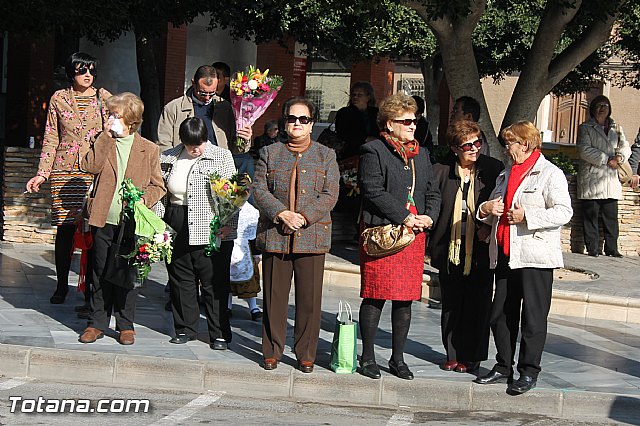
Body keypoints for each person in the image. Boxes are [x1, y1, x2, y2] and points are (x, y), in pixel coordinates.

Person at [474, 121, 572, 394]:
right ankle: (503, 365)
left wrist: (527, 216)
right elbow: (488, 208)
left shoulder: (550, 174)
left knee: (533, 317)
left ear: (525, 144)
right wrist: (485, 209)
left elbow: (564, 212)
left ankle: (529, 371)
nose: (506, 149)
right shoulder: (506, 174)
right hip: (506, 254)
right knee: (500, 314)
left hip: (535, 256)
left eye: (510, 143)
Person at [253, 97, 340, 373]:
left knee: (309, 301)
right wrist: (282, 213)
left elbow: (330, 193)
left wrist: (303, 217)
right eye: (292, 118)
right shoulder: (269, 152)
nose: (297, 124)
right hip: (276, 233)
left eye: (303, 119)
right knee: (274, 298)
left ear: (312, 124)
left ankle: (305, 353)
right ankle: (272, 350)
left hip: (311, 236)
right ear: (285, 122)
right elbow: (259, 189)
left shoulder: (326, 155)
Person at [358, 93, 441, 380]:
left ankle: (397, 358)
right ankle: (368, 357)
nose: (412, 126)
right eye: (406, 121)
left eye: (414, 121)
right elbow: (373, 190)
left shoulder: (423, 153)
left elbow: (432, 190)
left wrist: (429, 215)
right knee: (376, 294)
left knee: (405, 298)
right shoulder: (373, 150)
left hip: (415, 234)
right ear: (389, 124)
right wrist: (405, 217)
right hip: (384, 231)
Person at [79, 92, 166, 345]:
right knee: (100, 271)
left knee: (127, 274)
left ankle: (126, 324)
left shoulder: (148, 149)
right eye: (110, 114)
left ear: (130, 119)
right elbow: (90, 166)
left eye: (116, 115)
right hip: (104, 217)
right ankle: (96, 323)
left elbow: (158, 186)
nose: (111, 119)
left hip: (131, 222)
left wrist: (142, 200)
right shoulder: (103, 141)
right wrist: (105, 137)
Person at [26, 52, 111, 306]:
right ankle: (61, 284)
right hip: (64, 170)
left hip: (93, 170)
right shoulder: (59, 98)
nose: (88, 75)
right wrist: (42, 173)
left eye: (92, 71)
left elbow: (114, 134)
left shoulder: (103, 98)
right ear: (71, 72)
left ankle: (90, 290)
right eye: (82, 70)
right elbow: (51, 136)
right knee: (64, 230)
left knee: (92, 230)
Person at [155, 117, 238, 350]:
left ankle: (219, 333)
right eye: (190, 144)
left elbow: (233, 195)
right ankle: (184, 328)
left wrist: (228, 224)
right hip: (176, 220)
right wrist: (158, 223)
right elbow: (161, 193)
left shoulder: (221, 157)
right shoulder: (169, 156)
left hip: (210, 224)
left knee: (214, 281)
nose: (195, 149)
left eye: (199, 143)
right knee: (181, 279)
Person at [429, 120, 504, 374]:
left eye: (478, 142)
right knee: (451, 303)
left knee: (479, 303)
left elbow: (501, 201)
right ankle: (452, 353)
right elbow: (433, 205)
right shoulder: (440, 171)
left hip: (481, 247)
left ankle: (472, 356)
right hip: (449, 246)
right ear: (454, 148)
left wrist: (489, 226)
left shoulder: (493, 169)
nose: (474, 148)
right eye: (467, 145)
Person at [576, 95, 630, 257]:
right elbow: (584, 149)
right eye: (599, 105)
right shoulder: (585, 128)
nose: (602, 108)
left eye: (605, 105)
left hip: (610, 179)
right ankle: (592, 249)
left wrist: (619, 158)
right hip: (592, 178)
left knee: (610, 217)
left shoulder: (616, 128)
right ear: (593, 108)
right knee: (590, 216)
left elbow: (625, 146)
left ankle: (612, 249)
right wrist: (607, 159)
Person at [156, 65, 251, 154]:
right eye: (203, 93)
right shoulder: (174, 108)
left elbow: (235, 149)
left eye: (212, 93)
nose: (207, 97)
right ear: (193, 83)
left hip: (218, 165)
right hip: (185, 165)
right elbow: (164, 146)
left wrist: (244, 139)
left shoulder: (224, 107)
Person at [335, 81, 380, 160]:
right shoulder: (344, 113)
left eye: (359, 95)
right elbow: (343, 133)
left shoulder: (376, 112)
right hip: (350, 153)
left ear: (368, 97)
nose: (355, 97)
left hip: (374, 151)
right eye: (354, 95)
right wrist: (365, 138)